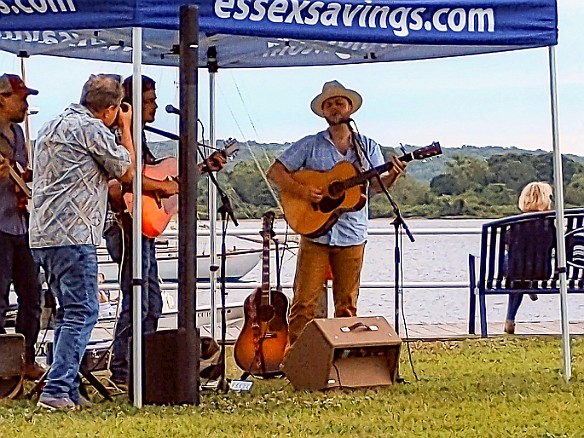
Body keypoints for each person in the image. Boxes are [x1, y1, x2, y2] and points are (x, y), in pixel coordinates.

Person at [266, 80, 406, 353]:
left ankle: (341, 355)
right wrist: (303, 191)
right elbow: (276, 173)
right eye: (328, 104)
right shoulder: (309, 145)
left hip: (352, 233)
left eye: (339, 102)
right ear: (323, 112)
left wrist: (392, 177)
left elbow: (374, 187)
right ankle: (297, 357)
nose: (334, 107)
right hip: (315, 232)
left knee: (347, 301)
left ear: (350, 108)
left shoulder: (366, 146)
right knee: (305, 300)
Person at [105, 75, 226, 387]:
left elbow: (159, 183)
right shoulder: (119, 137)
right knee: (138, 300)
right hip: (124, 224)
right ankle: (125, 369)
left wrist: (201, 169)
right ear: (126, 104)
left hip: (143, 226)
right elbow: (123, 184)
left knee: (152, 302)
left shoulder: (141, 139)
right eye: (148, 100)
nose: (154, 105)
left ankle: (141, 366)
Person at [29, 74, 135, 410]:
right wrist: (127, 128)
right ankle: (57, 389)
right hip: (74, 233)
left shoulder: (51, 125)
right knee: (84, 310)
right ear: (110, 109)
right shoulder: (93, 129)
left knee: (67, 311)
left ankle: (68, 387)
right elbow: (127, 171)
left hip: (43, 234)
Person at [0, 73, 45, 380]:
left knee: (32, 295)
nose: (26, 105)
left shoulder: (17, 132)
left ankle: (25, 357)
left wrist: (23, 177)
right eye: (22, 98)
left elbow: (22, 174)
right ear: (3, 98)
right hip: (0, 227)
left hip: (21, 224)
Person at [504, 181, 554, 334]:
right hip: (542, 272)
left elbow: (506, 245)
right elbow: (555, 247)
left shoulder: (514, 224)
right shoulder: (549, 225)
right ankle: (529, 284)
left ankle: (510, 319)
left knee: (515, 270)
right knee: (521, 274)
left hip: (515, 272)